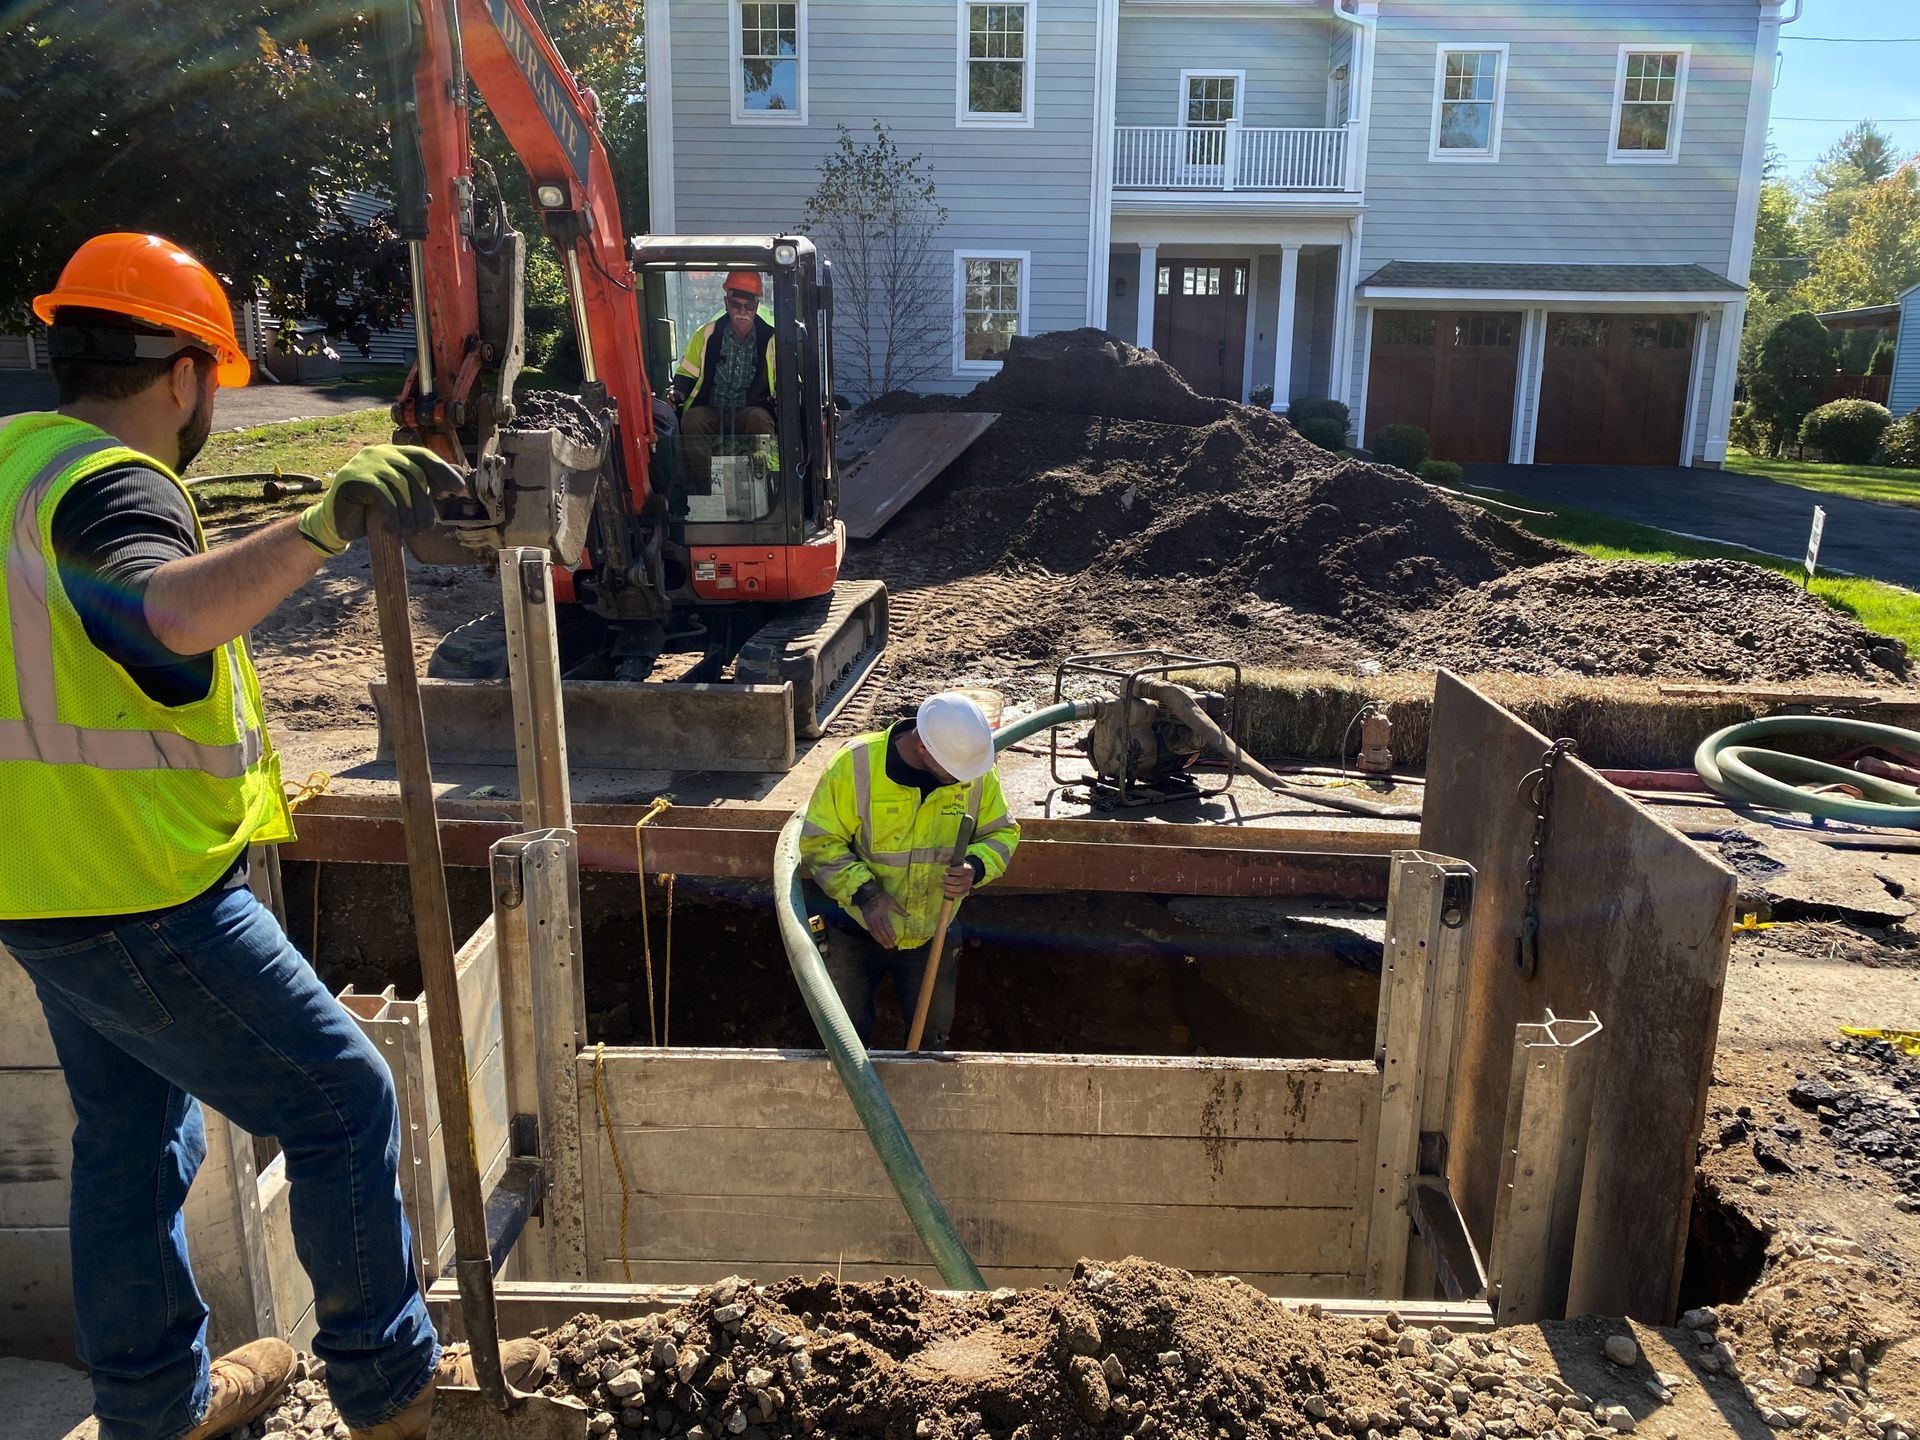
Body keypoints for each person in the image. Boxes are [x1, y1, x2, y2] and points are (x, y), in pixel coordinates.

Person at [0, 232, 547, 1440]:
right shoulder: (112, 481)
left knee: (132, 1135)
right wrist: (322, 522)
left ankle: (155, 1406)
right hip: (141, 890)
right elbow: (168, 614)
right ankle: (393, 1393)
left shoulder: (10, 467)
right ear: (187, 374)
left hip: (40, 883)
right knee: (343, 1097)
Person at [799, 692, 1020, 1050]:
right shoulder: (855, 766)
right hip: (854, 930)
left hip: (932, 932)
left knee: (930, 1041)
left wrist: (975, 866)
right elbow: (820, 843)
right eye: (952, 772)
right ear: (922, 747)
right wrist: (867, 896)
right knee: (843, 1041)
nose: (959, 781)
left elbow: (1002, 832)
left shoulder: (971, 771)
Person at [670, 270, 776, 494]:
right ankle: (704, 490)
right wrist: (677, 393)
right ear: (726, 302)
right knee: (692, 420)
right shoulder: (707, 335)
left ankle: (768, 486)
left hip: (749, 410)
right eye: (736, 305)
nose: (742, 312)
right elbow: (687, 373)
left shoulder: (772, 339)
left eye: (749, 306)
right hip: (712, 409)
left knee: (760, 421)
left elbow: (789, 379)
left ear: (757, 306)